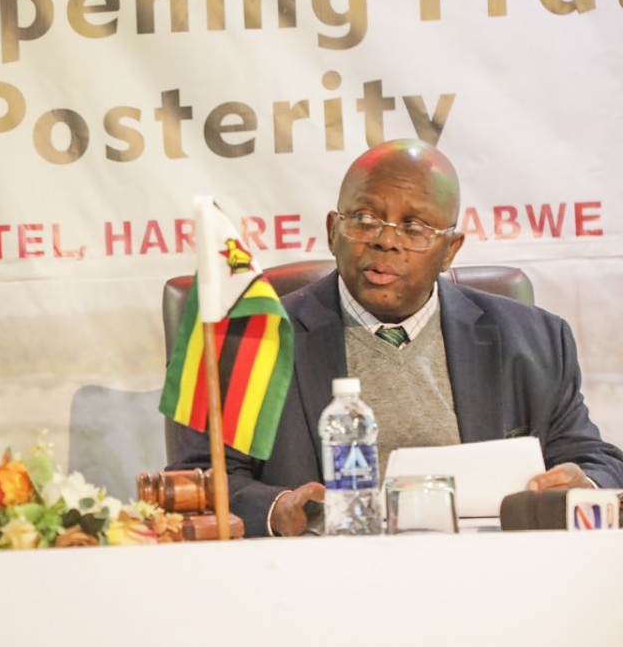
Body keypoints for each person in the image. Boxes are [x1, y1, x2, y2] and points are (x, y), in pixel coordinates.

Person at [171, 139, 623, 537]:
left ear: (451, 250)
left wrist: (584, 484)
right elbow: (197, 477)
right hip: (315, 581)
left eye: (415, 227)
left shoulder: (534, 340)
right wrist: (276, 510)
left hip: (492, 578)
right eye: (365, 218)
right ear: (333, 230)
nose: (386, 241)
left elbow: (593, 459)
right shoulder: (248, 341)